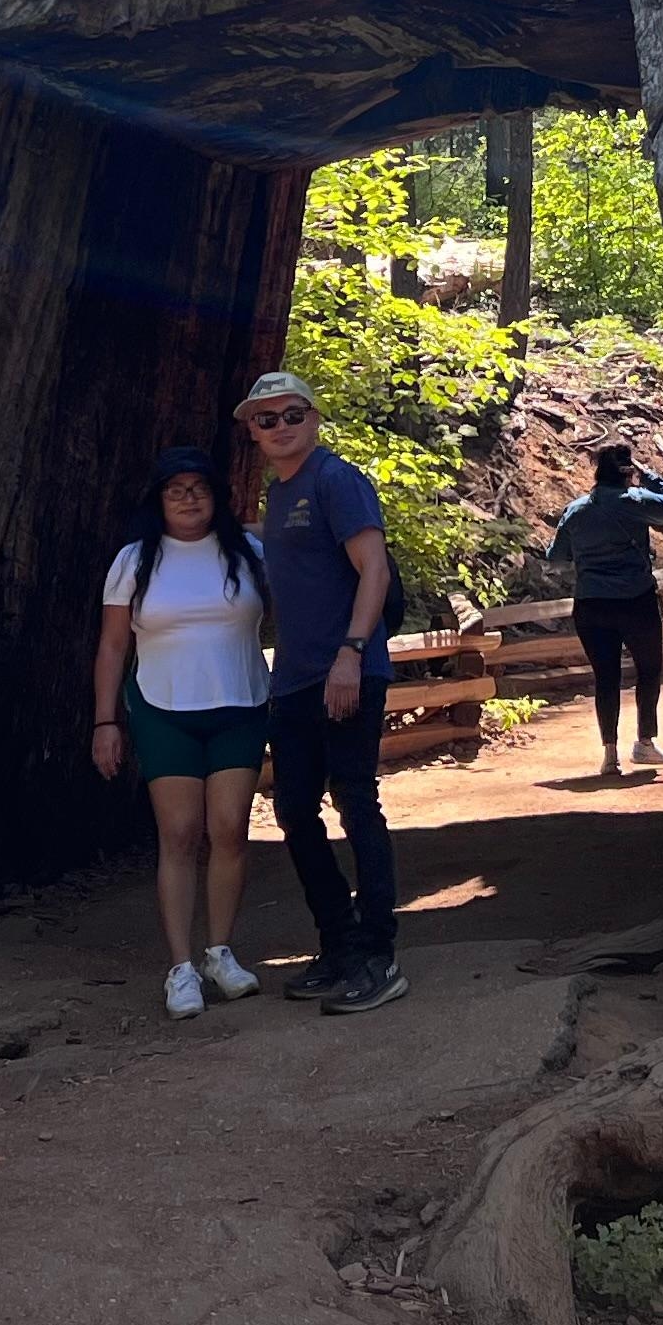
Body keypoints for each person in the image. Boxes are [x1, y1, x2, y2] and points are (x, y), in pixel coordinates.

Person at [238, 368, 408, 1013]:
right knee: (294, 812)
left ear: (313, 419)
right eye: (266, 419)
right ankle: (337, 942)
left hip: (345, 671)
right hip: (296, 678)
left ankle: (376, 953)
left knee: (356, 803)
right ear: (253, 432)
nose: (280, 427)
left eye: (291, 414)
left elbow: (373, 567)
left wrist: (352, 652)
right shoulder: (278, 497)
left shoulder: (337, 480)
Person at [88, 446, 272, 1019]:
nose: (189, 498)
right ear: (159, 500)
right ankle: (181, 968)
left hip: (240, 704)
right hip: (163, 708)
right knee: (180, 833)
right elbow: (114, 645)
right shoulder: (134, 560)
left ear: (217, 496)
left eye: (199, 487)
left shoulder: (249, 554)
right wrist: (104, 722)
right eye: (176, 489)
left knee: (229, 830)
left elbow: (288, 619)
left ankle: (220, 951)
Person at [548, 441, 663, 779]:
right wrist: (648, 474)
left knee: (606, 677)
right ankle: (645, 742)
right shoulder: (635, 502)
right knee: (649, 669)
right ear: (627, 474)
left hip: (591, 604)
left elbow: (556, 557)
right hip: (636, 600)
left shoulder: (576, 510)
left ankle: (610, 755)